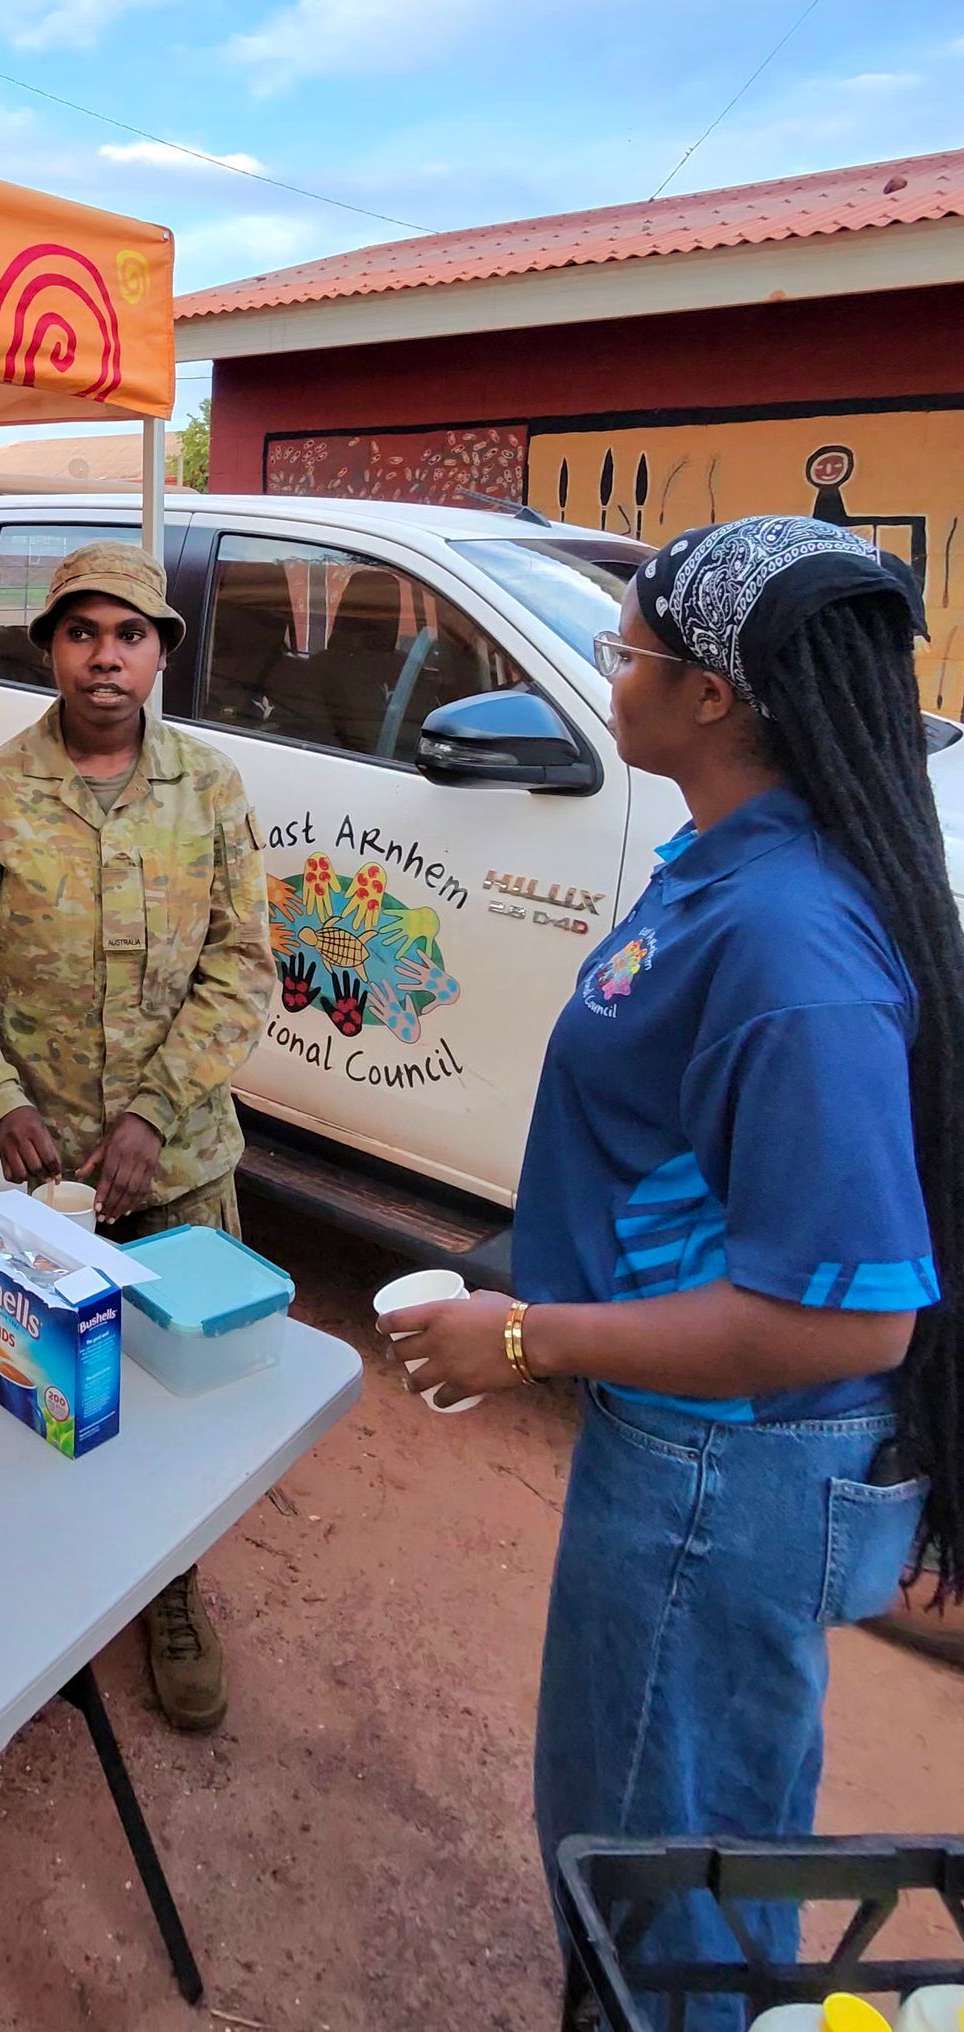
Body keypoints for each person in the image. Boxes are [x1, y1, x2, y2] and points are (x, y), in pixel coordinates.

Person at [380, 516, 962, 2027]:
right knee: (691, 1811)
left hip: (722, 1476)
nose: (602, 668)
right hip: (688, 1448)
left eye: (624, 650)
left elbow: (852, 1317)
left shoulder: (794, 946)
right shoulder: (739, 856)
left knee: (654, 1852)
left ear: (715, 697)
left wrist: (523, 1342)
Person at [0, 541, 275, 1730]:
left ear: (162, 652)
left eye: (129, 633)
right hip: (26, 1178)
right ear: (50, 649)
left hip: (173, 1168)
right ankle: (26, 1597)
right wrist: (3, 1102)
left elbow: (241, 969)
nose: (104, 656)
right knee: (13, 1386)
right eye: (80, 632)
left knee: (175, 1400)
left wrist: (154, 1114)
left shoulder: (209, 790)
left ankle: (171, 1590)